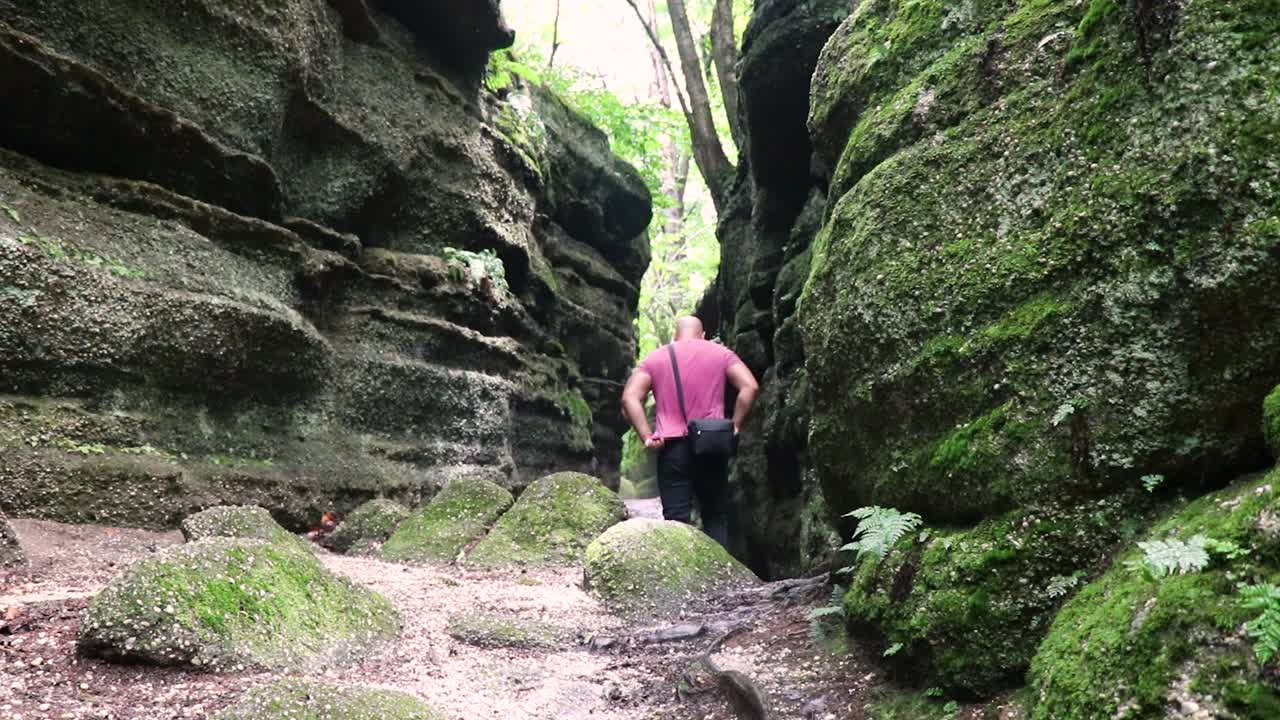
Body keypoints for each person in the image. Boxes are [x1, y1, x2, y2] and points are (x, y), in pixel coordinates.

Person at [621, 316, 759, 547]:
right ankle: (721, 577)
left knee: (676, 520)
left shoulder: (656, 358)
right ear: (703, 335)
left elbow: (629, 398)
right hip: (711, 444)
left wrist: (647, 435)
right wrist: (735, 424)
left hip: (672, 447)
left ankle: (684, 578)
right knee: (715, 516)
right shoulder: (721, 354)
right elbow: (750, 386)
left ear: (675, 335)